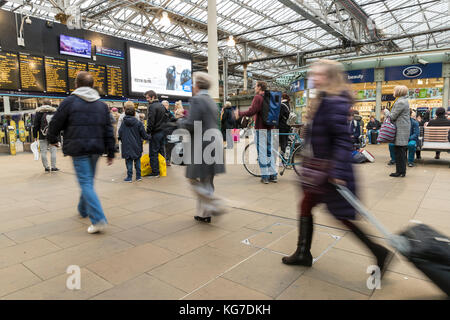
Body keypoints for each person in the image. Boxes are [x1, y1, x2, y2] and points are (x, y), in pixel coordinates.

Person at [282, 59, 393, 278]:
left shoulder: (334, 101)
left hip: (330, 173)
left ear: (330, 77)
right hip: (318, 171)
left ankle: (379, 252)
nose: (314, 77)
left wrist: (338, 172)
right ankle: (303, 252)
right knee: (307, 206)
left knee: (342, 217)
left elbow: (343, 140)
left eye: (318, 74)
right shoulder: (324, 99)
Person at [48, 71, 115, 234]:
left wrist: (52, 138)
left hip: (78, 148)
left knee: (85, 182)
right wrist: (111, 151)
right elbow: (108, 130)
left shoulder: (69, 102)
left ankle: (98, 219)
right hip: (96, 149)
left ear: (76, 85)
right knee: (88, 181)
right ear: (92, 86)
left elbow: (56, 122)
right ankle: (83, 209)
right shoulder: (101, 105)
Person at [178, 72, 225, 223]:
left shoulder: (197, 100)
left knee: (192, 178)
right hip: (214, 140)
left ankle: (213, 203)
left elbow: (192, 124)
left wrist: (179, 121)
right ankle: (205, 213)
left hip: (203, 143)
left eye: (192, 85)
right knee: (207, 179)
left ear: (196, 86)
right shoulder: (211, 100)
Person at [236, 81, 277, 184]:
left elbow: (252, 111)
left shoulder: (258, 97)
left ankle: (265, 176)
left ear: (259, 87)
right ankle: (273, 175)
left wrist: (239, 113)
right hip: (270, 128)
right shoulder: (270, 97)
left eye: (255, 86)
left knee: (262, 153)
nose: (254, 88)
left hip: (260, 128)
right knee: (269, 151)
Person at [118, 104, 150, 182]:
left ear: (125, 113)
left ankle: (129, 177)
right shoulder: (138, 123)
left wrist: (122, 140)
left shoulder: (123, 123)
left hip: (126, 145)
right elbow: (144, 134)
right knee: (137, 160)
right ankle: (138, 176)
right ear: (134, 113)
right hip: (137, 145)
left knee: (128, 161)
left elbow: (120, 133)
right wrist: (149, 137)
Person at [384, 85, 411, 177]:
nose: (393, 92)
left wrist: (386, 112)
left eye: (394, 90)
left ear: (398, 92)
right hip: (401, 128)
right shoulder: (401, 101)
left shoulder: (401, 102)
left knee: (399, 151)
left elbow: (392, 116)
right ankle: (400, 171)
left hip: (401, 129)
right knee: (399, 151)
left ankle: (400, 171)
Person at [145, 90, 168, 177]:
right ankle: (162, 169)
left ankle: (155, 172)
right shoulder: (162, 106)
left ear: (153, 97)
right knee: (161, 151)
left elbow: (151, 121)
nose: (147, 99)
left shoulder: (152, 107)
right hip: (162, 132)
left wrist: (147, 132)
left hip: (155, 133)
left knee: (153, 153)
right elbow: (167, 118)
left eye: (148, 98)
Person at [33, 99, 58, 172]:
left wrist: (35, 136)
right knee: (53, 151)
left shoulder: (39, 112)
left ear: (43, 104)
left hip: (42, 135)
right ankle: (53, 167)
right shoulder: (54, 112)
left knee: (43, 152)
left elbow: (35, 126)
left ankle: (46, 167)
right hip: (53, 135)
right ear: (50, 104)